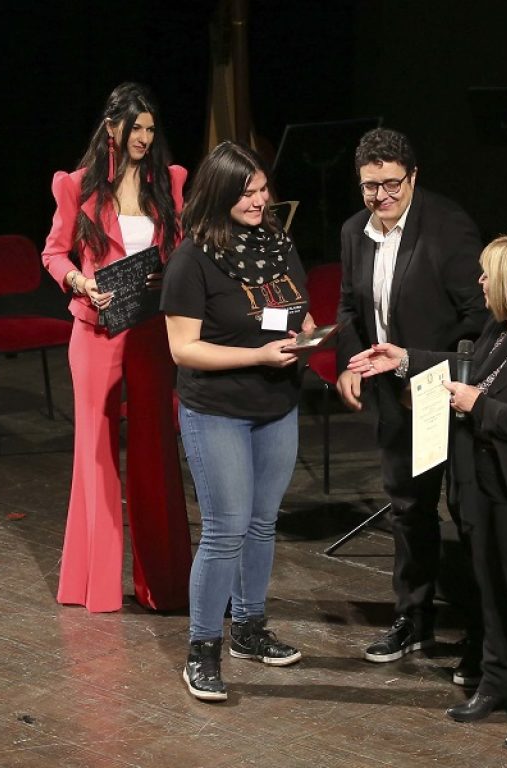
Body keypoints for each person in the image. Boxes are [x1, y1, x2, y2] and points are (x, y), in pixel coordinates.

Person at [348, 233, 507, 751]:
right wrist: (405, 359)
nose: (479, 282)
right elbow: (467, 370)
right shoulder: (500, 329)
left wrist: (479, 405)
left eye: (488, 274)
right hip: (484, 485)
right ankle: (497, 683)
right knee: (489, 590)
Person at [160, 141, 313, 702]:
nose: (259, 200)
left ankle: (249, 629)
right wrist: (256, 356)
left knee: (262, 522)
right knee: (226, 527)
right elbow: (184, 349)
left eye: (262, 189)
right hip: (217, 410)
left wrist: (309, 338)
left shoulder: (277, 242)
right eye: (246, 192)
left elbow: (299, 307)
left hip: (276, 404)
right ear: (220, 193)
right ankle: (203, 650)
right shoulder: (191, 260)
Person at [334, 127, 488, 674]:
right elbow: (349, 312)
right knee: (408, 510)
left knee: (467, 513)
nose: (381, 197)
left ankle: (481, 634)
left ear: (413, 177)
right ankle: (413, 617)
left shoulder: (447, 228)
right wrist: (350, 365)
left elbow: (479, 318)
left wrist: (419, 362)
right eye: (370, 187)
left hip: (445, 390)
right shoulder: (355, 231)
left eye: (392, 185)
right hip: (393, 396)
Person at [41, 82, 192, 614]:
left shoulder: (169, 183)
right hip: (97, 327)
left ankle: (164, 585)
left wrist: (167, 275)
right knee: (96, 453)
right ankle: (94, 585)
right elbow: (54, 252)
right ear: (112, 128)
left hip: (150, 330)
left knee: (155, 448)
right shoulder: (76, 185)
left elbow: (180, 250)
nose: (145, 139)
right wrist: (80, 282)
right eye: (136, 128)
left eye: (152, 129)